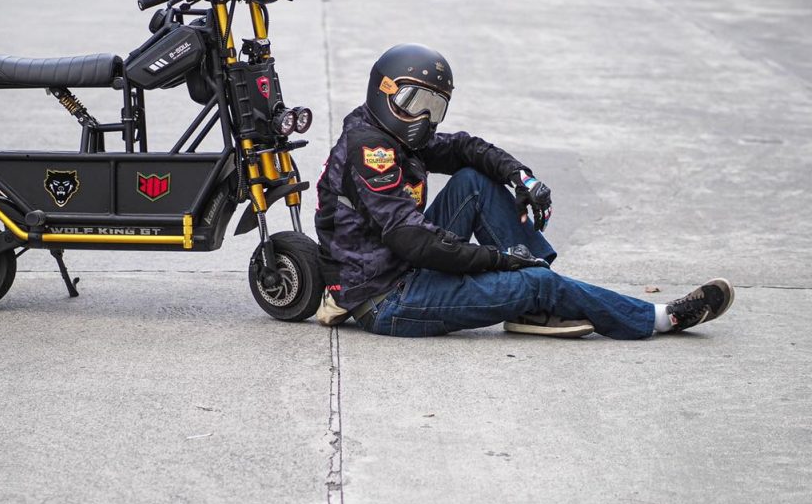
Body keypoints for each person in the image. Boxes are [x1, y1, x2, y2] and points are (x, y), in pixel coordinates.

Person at [314, 44, 733, 339]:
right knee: (534, 281)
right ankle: (659, 319)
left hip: (400, 266)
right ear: (383, 89)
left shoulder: (388, 131)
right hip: (387, 297)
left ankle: (538, 301)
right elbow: (415, 241)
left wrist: (521, 178)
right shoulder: (371, 150)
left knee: (474, 182)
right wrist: (501, 260)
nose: (423, 116)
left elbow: (463, 148)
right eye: (412, 99)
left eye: (434, 106)